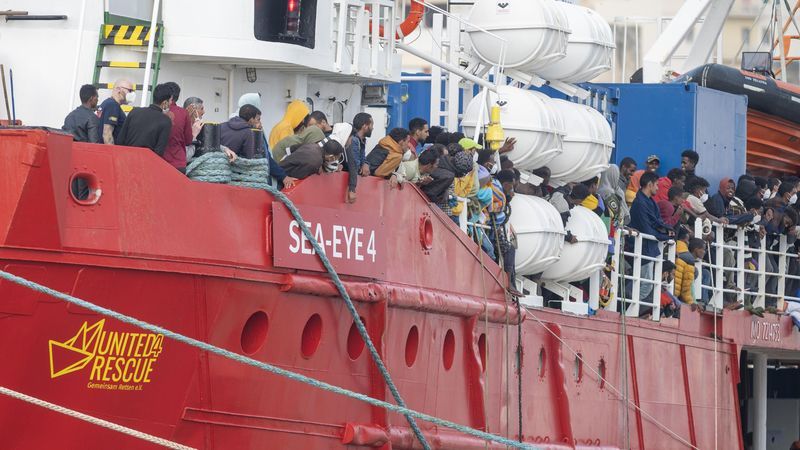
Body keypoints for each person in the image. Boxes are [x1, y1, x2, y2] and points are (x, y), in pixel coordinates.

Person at [628, 171, 675, 302]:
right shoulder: (640, 204)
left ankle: (632, 305)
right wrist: (665, 236)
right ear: (649, 185)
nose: (658, 188)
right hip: (642, 249)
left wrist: (667, 231)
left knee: (645, 282)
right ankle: (628, 305)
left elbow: (657, 222)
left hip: (648, 249)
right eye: (656, 185)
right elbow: (646, 228)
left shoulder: (650, 202)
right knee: (646, 283)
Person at [117, 83, 173, 157]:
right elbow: (159, 152)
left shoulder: (134, 111)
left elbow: (120, 140)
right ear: (165, 102)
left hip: (126, 159)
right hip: (146, 163)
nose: (171, 103)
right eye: (170, 100)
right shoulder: (165, 121)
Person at [161, 82, 193, 171]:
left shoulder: (155, 112)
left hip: (158, 161)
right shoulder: (183, 113)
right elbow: (188, 141)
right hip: (178, 162)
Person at [279, 138, 345, 179]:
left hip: (281, 165)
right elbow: (298, 176)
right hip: (281, 176)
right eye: (336, 159)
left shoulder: (313, 145)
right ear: (331, 157)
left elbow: (293, 149)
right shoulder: (316, 162)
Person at [100, 79, 134, 144]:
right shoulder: (113, 105)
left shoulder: (108, 103)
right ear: (118, 89)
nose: (131, 94)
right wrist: (112, 153)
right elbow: (107, 135)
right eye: (129, 91)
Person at [674, 229, 697, 305]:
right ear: (684, 240)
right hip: (675, 297)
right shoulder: (689, 259)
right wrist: (691, 303)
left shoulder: (669, 247)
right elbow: (686, 287)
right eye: (687, 240)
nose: (688, 242)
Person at [350, 112, 373, 177]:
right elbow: (355, 166)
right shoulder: (354, 140)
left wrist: (365, 164)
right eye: (371, 125)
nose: (372, 128)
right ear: (365, 126)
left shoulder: (362, 141)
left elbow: (363, 159)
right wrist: (362, 168)